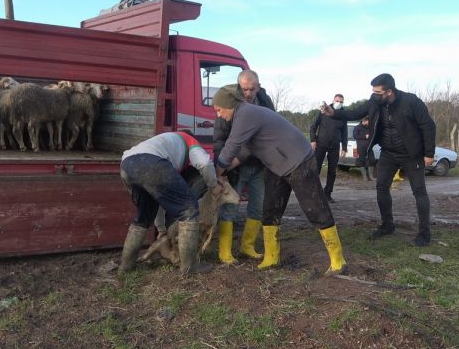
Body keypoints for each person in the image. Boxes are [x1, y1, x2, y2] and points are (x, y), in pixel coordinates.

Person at [212, 85, 348, 275]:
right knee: (270, 209)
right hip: (276, 164)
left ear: (228, 104)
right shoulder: (244, 115)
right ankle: (271, 257)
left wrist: (217, 172)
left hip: (298, 160)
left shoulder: (245, 113)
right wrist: (227, 168)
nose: (218, 115)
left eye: (218, 109)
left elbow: (231, 146)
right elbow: (245, 150)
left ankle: (338, 260)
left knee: (314, 208)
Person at [321, 73, 435, 246]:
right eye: (373, 91)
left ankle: (424, 234)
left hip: (412, 154)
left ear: (389, 91)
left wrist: (429, 154)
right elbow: (356, 112)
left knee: (419, 192)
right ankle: (387, 225)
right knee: (381, 187)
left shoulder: (411, 101)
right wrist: (334, 113)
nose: (374, 94)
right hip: (388, 152)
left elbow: (428, 126)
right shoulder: (375, 102)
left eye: (378, 92)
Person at [118, 131, 222, 275]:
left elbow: (160, 201)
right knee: (189, 209)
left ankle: (125, 267)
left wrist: (161, 229)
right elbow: (204, 163)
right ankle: (189, 268)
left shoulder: (164, 141)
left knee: (144, 217)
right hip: (151, 163)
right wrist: (214, 186)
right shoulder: (189, 140)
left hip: (127, 165)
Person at [213, 70, 275, 265]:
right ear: (239, 87)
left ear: (258, 86)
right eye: (245, 89)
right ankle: (224, 252)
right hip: (235, 167)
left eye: (252, 89)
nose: (248, 93)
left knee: (258, 206)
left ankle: (247, 246)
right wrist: (221, 170)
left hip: (259, 165)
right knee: (230, 206)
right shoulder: (228, 104)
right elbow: (219, 140)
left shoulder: (265, 102)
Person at [309, 94, 347, 202]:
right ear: (333, 100)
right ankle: (314, 193)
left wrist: (344, 147)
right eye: (337, 101)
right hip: (321, 144)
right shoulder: (323, 111)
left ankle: (327, 194)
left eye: (341, 102)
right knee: (316, 169)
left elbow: (344, 133)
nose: (339, 103)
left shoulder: (343, 114)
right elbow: (313, 126)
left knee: (332, 171)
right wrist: (313, 140)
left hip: (335, 146)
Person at [353, 117, 374, 181]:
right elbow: (355, 136)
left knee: (372, 160)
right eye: (367, 121)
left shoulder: (369, 128)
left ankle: (371, 177)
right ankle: (365, 177)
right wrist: (365, 136)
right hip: (360, 147)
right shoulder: (357, 127)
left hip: (369, 147)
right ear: (363, 121)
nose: (368, 122)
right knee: (361, 161)